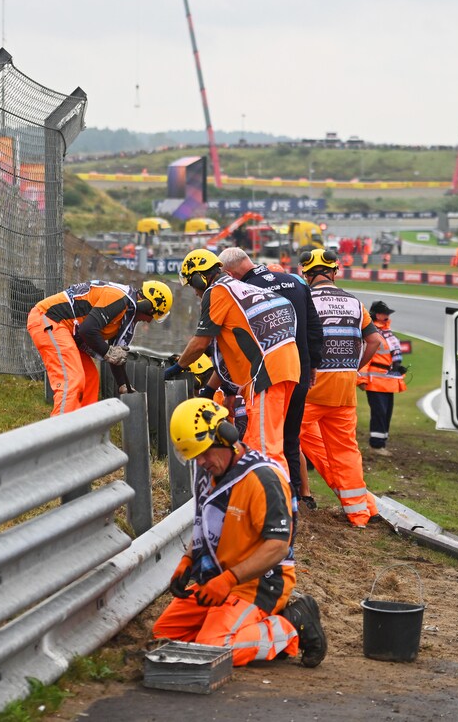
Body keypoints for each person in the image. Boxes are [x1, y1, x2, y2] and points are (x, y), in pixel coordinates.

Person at [154, 398, 327, 668]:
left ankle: (291, 625)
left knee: (213, 649)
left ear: (226, 438)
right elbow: (205, 525)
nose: (201, 462)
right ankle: (243, 627)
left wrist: (228, 580)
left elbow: (278, 547)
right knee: (164, 635)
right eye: (195, 456)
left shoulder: (263, 479)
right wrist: (188, 561)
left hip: (258, 583)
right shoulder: (207, 473)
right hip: (217, 579)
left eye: (205, 452)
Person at [165, 248, 300, 475]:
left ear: (200, 277)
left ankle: (278, 505)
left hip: (267, 372)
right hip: (286, 366)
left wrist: (178, 366)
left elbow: (200, 342)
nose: (196, 292)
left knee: (264, 450)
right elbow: (228, 353)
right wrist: (210, 389)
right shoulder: (240, 287)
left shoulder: (217, 292)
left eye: (193, 285)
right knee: (261, 440)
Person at [218, 247, 324, 509]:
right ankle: (297, 496)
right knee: (291, 437)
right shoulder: (295, 281)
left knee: (266, 439)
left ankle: (276, 500)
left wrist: (229, 385)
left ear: (230, 273)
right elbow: (314, 327)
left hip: (268, 374)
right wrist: (313, 365)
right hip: (299, 368)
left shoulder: (244, 290)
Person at [298, 248, 381, 528]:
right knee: (346, 451)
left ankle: (284, 502)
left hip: (312, 386)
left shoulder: (305, 299)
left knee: (284, 440)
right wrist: (354, 367)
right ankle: (360, 514)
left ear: (307, 274)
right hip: (344, 389)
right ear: (334, 271)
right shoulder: (355, 302)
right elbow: (375, 342)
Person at [27, 279, 172, 417]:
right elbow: (88, 330)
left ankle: (83, 430)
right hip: (49, 319)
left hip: (68, 332)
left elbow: (116, 355)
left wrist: (123, 385)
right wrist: (108, 352)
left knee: (91, 378)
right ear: (147, 306)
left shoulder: (127, 313)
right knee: (72, 380)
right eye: (152, 315)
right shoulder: (118, 298)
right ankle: (59, 434)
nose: (149, 320)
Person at [358, 300, 407, 456]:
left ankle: (382, 443)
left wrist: (399, 368)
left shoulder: (387, 332)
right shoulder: (373, 333)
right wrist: (362, 380)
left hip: (389, 381)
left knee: (386, 413)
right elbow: (366, 357)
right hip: (376, 382)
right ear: (377, 315)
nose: (387, 316)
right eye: (385, 313)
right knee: (379, 413)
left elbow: (390, 355)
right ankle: (377, 445)